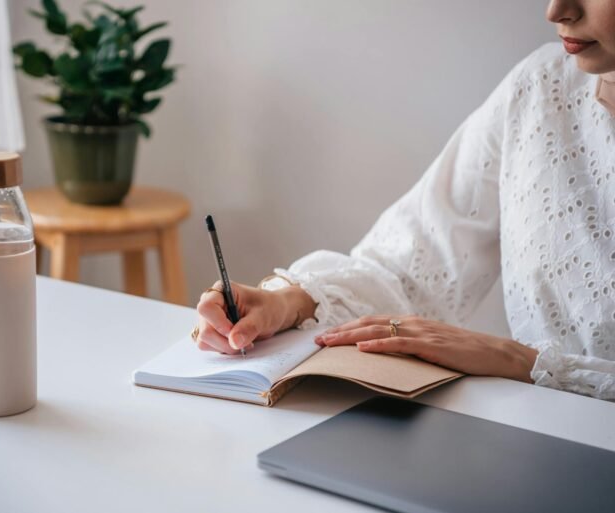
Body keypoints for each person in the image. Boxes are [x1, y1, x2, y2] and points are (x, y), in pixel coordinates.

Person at [193, 0, 615, 401]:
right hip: (530, 437)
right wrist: (287, 304)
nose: (556, 11)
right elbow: (411, 269)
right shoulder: (543, 86)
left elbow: (524, 363)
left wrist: (523, 362)